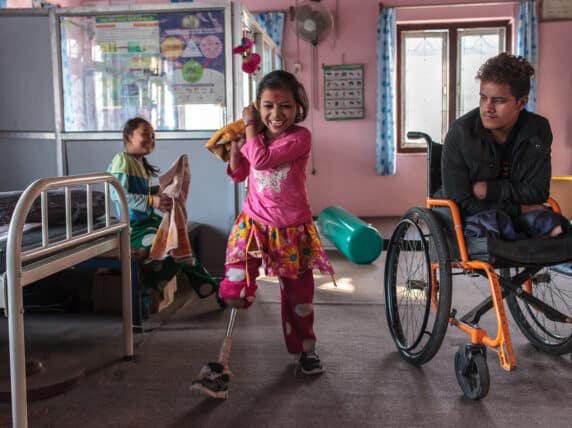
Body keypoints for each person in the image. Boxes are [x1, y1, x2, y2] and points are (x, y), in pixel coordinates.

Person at [195, 70, 334, 394]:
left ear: (298, 107)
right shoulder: (255, 136)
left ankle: (305, 351)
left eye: (285, 106)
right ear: (259, 106)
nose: (276, 114)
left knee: (299, 297)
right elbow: (240, 172)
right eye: (268, 106)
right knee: (235, 288)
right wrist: (235, 147)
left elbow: (261, 159)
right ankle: (222, 361)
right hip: (253, 224)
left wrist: (248, 126)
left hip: (291, 230)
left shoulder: (299, 138)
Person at [440, 52, 568, 240]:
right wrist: (521, 208)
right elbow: (461, 201)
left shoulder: (538, 130)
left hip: (516, 215)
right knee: (495, 223)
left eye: (498, 101)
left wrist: (489, 190)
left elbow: (538, 191)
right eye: (483, 98)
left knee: (557, 226)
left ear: (522, 102)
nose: (487, 108)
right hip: (472, 217)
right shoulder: (461, 132)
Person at [108, 117, 220, 305]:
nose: (151, 140)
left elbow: (139, 193)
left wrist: (162, 192)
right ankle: (149, 289)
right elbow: (119, 194)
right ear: (127, 136)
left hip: (149, 223)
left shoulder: (139, 163)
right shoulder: (122, 160)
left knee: (183, 246)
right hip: (133, 229)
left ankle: (210, 286)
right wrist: (153, 200)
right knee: (174, 247)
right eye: (145, 134)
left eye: (153, 137)